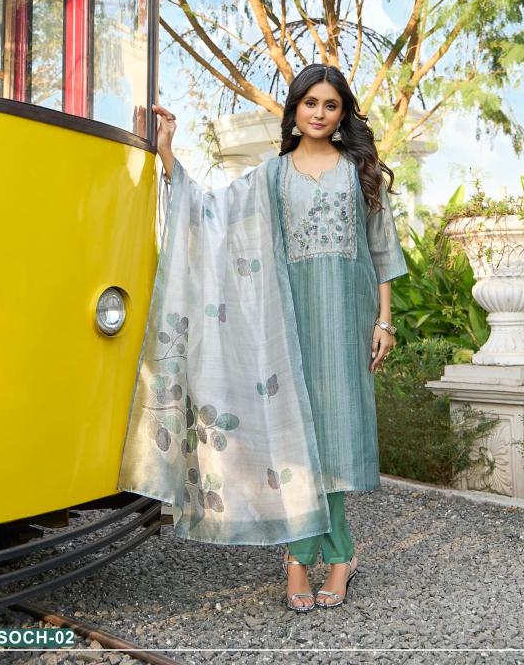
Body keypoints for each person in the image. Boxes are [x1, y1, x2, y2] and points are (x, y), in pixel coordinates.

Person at [142, 63, 408, 613]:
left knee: (333, 438)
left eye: (330, 105)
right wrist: (167, 152)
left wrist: (384, 322)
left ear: (343, 113)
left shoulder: (361, 172)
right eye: (310, 103)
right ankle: (322, 557)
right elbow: (212, 212)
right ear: (294, 110)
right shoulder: (272, 175)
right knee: (298, 441)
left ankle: (315, 559)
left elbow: (381, 250)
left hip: (346, 319)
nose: (320, 114)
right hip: (286, 322)